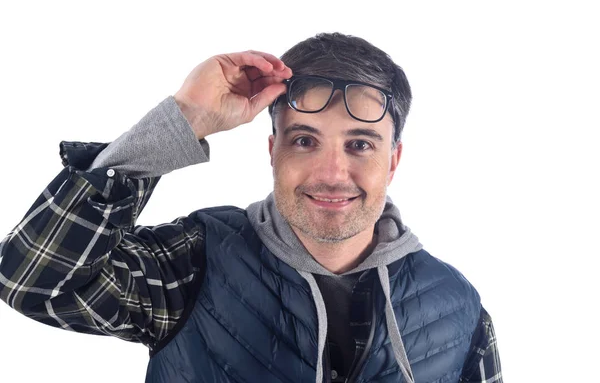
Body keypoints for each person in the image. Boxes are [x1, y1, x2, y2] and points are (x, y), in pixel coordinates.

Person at [0, 33, 502, 383]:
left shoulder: (457, 307)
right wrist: (185, 119)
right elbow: (32, 280)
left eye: (360, 145)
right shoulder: (196, 261)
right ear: (272, 152)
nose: (331, 173)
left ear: (393, 161)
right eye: (304, 140)